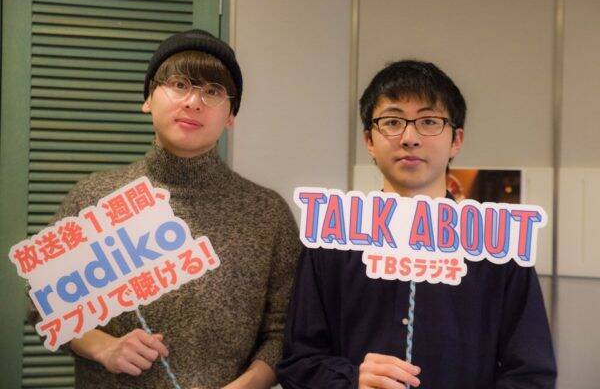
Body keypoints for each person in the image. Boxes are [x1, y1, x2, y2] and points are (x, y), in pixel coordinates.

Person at [29, 29, 301, 389]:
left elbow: (285, 332)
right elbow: (41, 302)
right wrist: (102, 347)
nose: (193, 102)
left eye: (213, 91)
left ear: (230, 116)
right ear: (148, 99)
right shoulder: (94, 199)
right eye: (179, 84)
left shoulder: (267, 214)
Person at [276, 60, 557, 388]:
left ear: (456, 140)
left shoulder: (497, 244)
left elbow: (531, 375)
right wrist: (351, 381)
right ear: (369, 140)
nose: (409, 138)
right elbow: (298, 363)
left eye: (429, 121)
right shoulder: (331, 240)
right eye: (392, 122)